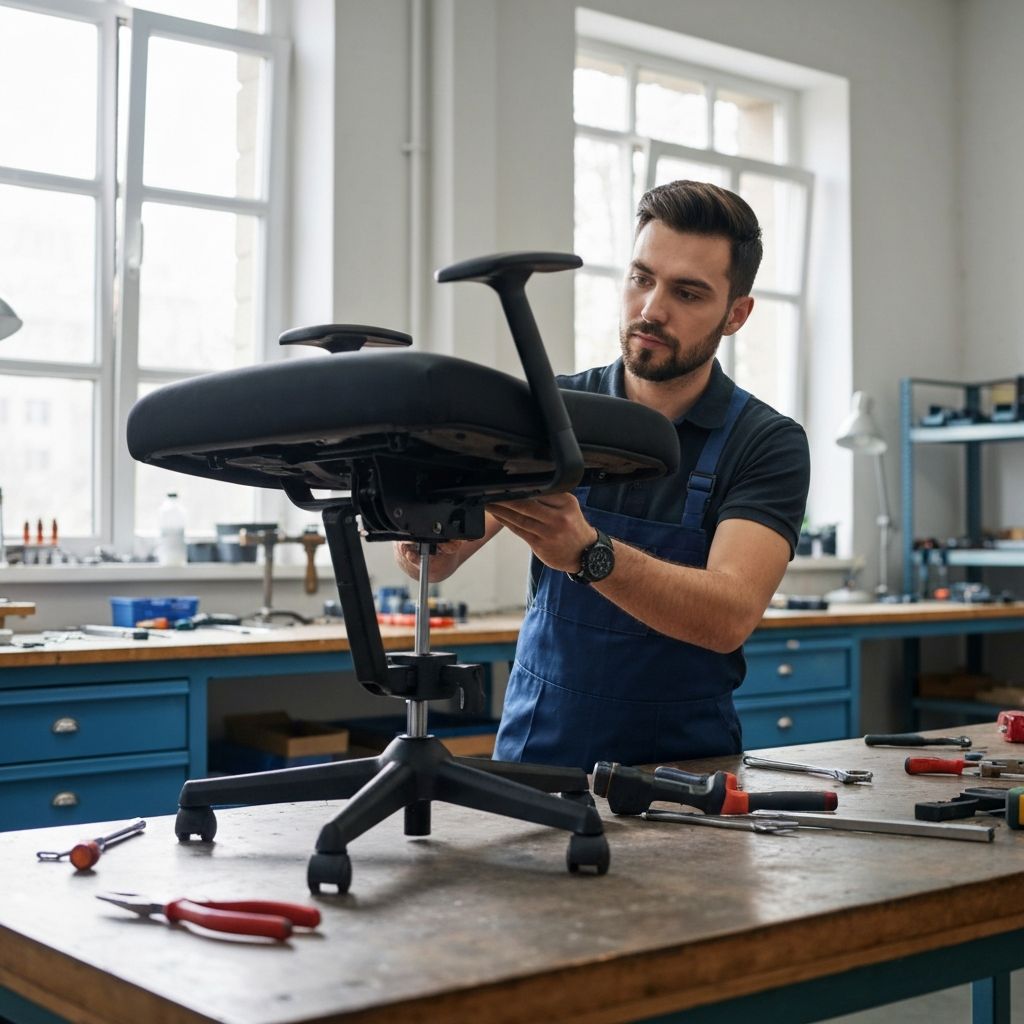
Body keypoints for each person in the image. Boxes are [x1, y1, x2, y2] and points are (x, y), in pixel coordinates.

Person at [395, 180, 810, 770]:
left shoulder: (766, 443)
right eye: (642, 278)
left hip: (684, 772)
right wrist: (422, 530)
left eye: (688, 293)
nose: (651, 310)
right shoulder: (551, 411)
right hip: (539, 754)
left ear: (736, 314)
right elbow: (435, 557)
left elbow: (728, 617)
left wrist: (588, 552)